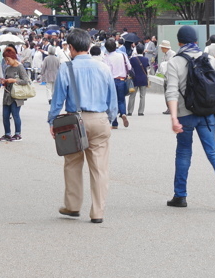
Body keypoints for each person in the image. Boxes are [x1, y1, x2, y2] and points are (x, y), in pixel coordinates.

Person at [165, 25, 215, 212]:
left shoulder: (175, 62)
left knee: (183, 153)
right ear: (196, 41)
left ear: (179, 42)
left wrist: (173, 118)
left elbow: (171, 92)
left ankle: (180, 195)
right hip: (207, 114)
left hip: (185, 114)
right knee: (213, 152)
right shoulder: (210, 60)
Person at [48, 29, 117, 224]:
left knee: (72, 163)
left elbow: (58, 99)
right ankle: (97, 212)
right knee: (99, 168)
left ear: (70, 47)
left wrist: (53, 120)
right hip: (100, 119)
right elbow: (112, 100)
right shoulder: (104, 68)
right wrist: (109, 120)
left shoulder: (66, 68)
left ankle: (72, 206)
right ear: (88, 46)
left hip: (74, 121)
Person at [0, 46, 31, 141]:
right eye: (5, 60)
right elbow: (6, 78)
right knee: (5, 115)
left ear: (13, 58)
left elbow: (26, 81)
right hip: (7, 94)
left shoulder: (20, 67)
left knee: (15, 114)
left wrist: (14, 80)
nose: (7, 62)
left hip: (17, 95)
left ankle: (18, 133)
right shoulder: (8, 68)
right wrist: (4, 81)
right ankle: (7, 133)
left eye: (8, 59)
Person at [102, 38, 131, 129]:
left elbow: (106, 71)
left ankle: (114, 123)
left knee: (112, 101)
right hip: (122, 80)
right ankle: (123, 114)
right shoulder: (122, 55)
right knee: (121, 100)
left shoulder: (106, 57)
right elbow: (129, 67)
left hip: (112, 81)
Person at [127, 47, 150, 117]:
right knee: (142, 96)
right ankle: (141, 111)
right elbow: (148, 69)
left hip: (134, 79)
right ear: (143, 51)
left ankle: (130, 111)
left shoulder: (132, 59)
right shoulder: (146, 59)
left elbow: (130, 69)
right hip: (143, 79)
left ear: (136, 51)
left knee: (132, 96)